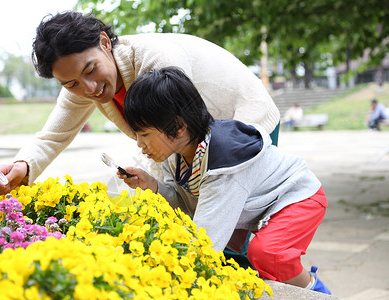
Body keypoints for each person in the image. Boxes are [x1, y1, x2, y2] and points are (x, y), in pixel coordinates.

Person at [0, 10, 280, 195]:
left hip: (244, 120)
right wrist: (24, 166)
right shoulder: (80, 86)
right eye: (71, 84)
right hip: (192, 141)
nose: (88, 88)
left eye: (90, 70)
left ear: (105, 42)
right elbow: (52, 136)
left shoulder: (157, 60)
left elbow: (178, 135)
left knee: (231, 227)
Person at [118, 67, 331, 294]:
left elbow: (204, 244)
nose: (139, 144)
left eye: (145, 134)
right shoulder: (177, 154)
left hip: (299, 195)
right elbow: (188, 202)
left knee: (269, 254)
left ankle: (317, 292)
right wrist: (153, 186)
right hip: (263, 202)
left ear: (178, 127)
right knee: (262, 262)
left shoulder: (224, 163)